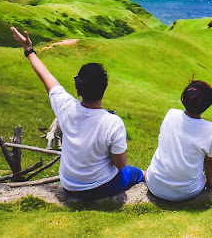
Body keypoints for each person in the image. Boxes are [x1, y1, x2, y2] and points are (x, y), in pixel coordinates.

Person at [9, 26, 143, 199]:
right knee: (136, 173)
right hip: (100, 187)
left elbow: (45, 75)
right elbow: (120, 165)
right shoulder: (113, 122)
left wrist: (28, 49)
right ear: (106, 86)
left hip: (69, 185)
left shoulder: (65, 106)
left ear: (78, 90)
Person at [145, 80, 212, 201]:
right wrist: (210, 181)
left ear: (183, 99)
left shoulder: (171, 114)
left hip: (155, 185)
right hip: (188, 191)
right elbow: (209, 161)